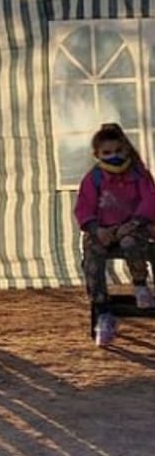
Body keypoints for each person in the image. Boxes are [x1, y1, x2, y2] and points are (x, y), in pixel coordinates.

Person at [74, 123, 155, 346]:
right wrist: (95, 229)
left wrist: (135, 222)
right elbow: (83, 209)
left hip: (134, 228)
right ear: (97, 155)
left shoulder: (139, 175)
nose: (114, 157)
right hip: (103, 230)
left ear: (126, 150)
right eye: (107, 153)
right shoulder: (93, 179)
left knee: (131, 243)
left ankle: (140, 284)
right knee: (93, 257)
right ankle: (102, 311)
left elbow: (150, 201)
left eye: (118, 151)